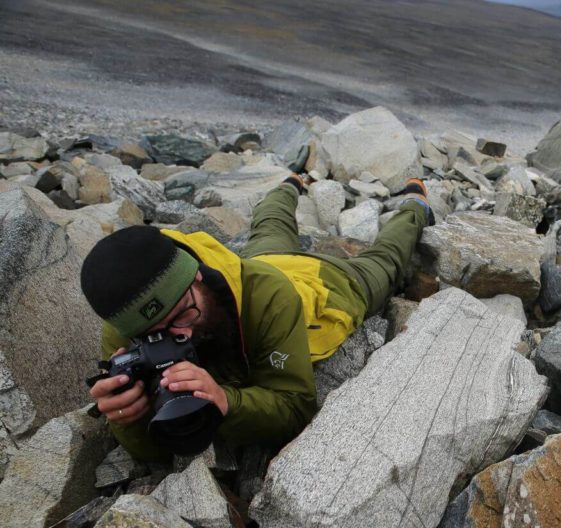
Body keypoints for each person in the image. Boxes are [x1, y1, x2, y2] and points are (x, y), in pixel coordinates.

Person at [80, 164, 432, 464]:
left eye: (183, 314)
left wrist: (226, 401)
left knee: (387, 259)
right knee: (269, 225)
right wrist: (126, 416)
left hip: (331, 286)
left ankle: (415, 204)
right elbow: (154, 453)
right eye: (157, 334)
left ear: (197, 275)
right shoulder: (127, 323)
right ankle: (291, 184)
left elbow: (295, 407)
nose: (181, 336)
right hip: (261, 260)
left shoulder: (268, 294)